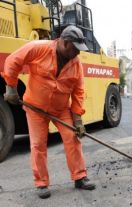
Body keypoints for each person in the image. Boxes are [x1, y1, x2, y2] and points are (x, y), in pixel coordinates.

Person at [1, 25, 95, 199]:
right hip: (35, 107)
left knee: (72, 138)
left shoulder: (76, 64)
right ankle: (41, 183)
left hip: (60, 109)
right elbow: (13, 61)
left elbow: (78, 92)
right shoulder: (39, 48)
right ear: (65, 43)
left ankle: (80, 177)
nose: (78, 54)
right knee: (38, 145)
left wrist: (78, 121)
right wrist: (11, 88)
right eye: (76, 49)